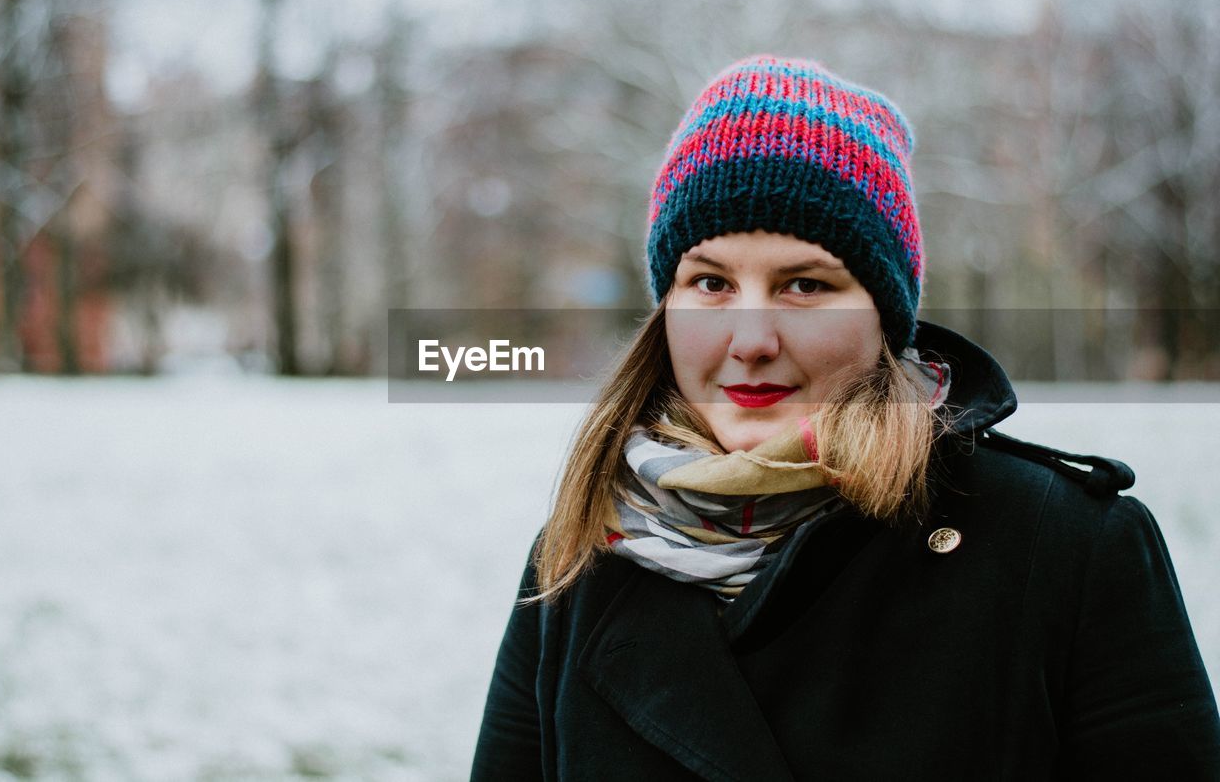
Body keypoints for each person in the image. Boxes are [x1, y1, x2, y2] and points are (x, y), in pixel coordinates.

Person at [470, 55, 1220, 780]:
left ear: (885, 318)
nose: (752, 340)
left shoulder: (1064, 550)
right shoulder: (577, 558)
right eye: (709, 282)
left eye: (803, 284)